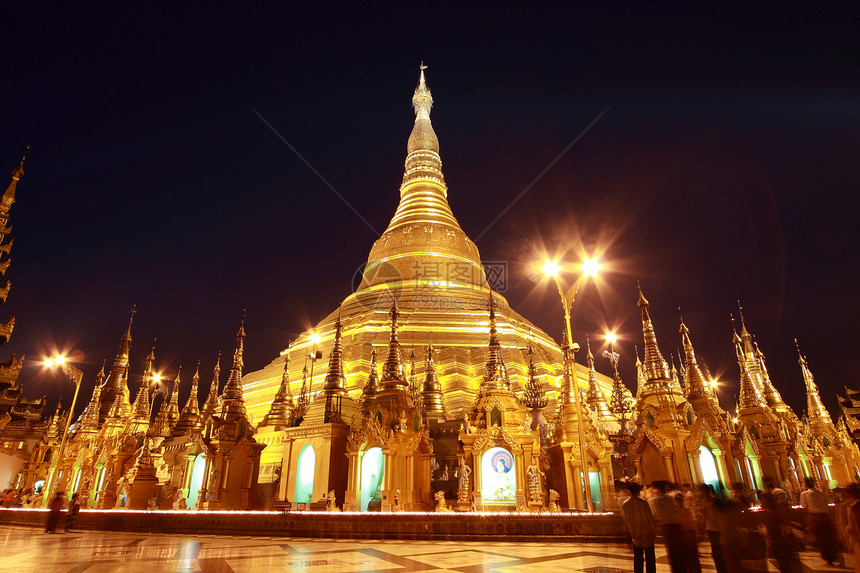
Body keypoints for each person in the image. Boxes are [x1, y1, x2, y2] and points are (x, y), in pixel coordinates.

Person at [800, 478, 841, 566]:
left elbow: (804, 507)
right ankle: (833, 556)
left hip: (815, 518)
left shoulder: (805, 494)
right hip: (825, 517)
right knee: (829, 538)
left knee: (821, 539)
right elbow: (829, 502)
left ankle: (828, 558)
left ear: (806, 484)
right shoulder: (820, 493)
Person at [648, 480, 687, 572]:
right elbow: (675, 510)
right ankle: (681, 568)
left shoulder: (654, 501)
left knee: (672, 550)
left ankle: (676, 568)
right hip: (675, 524)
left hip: (665, 526)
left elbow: (653, 514)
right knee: (677, 550)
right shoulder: (670, 498)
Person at [621, 482, 657, 573]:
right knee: (650, 559)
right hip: (647, 532)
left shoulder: (625, 504)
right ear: (637, 491)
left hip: (635, 534)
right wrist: (654, 530)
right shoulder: (643, 503)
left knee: (638, 559)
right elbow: (650, 518)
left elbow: (625, 520)